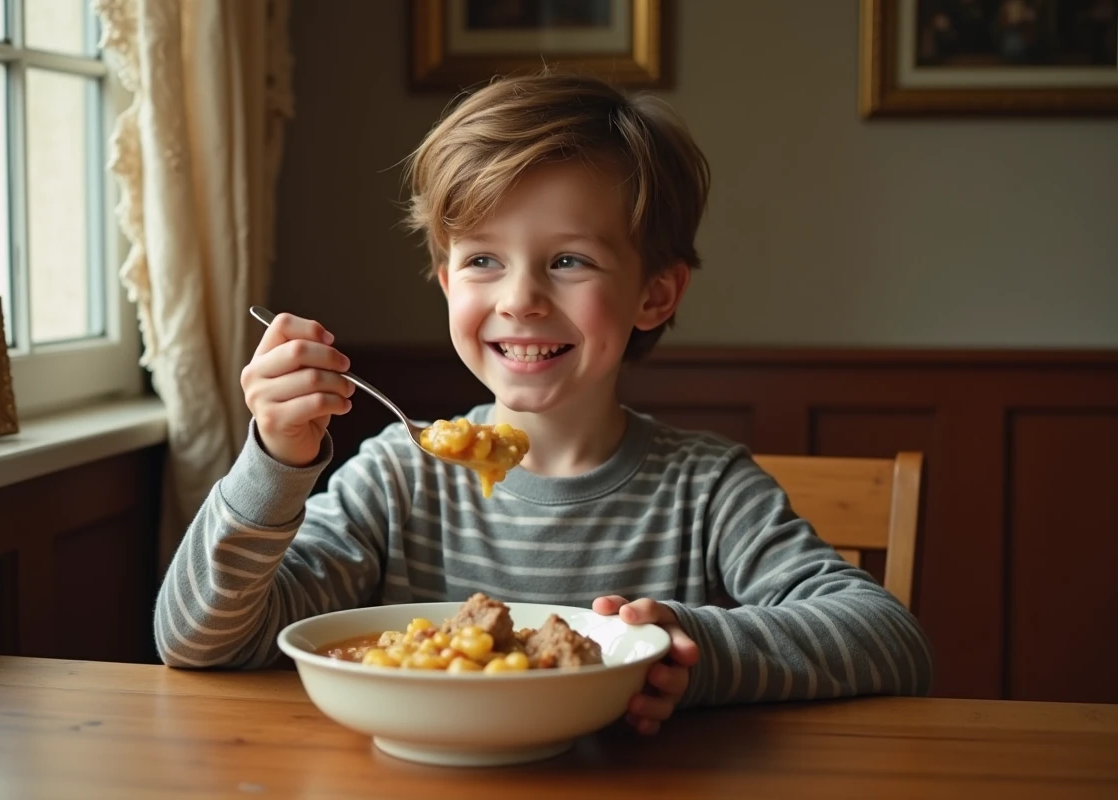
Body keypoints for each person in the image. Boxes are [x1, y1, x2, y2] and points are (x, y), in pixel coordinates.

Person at [154, 70, 933, 735]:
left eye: (568, 261)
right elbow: (196, 639)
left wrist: (697, 653)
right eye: (483, 260)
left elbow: (890, 639)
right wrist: (276, 462)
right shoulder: (397, 478)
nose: (520, 299)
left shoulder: (707, 491)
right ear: (446, 281)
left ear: (655, 294)